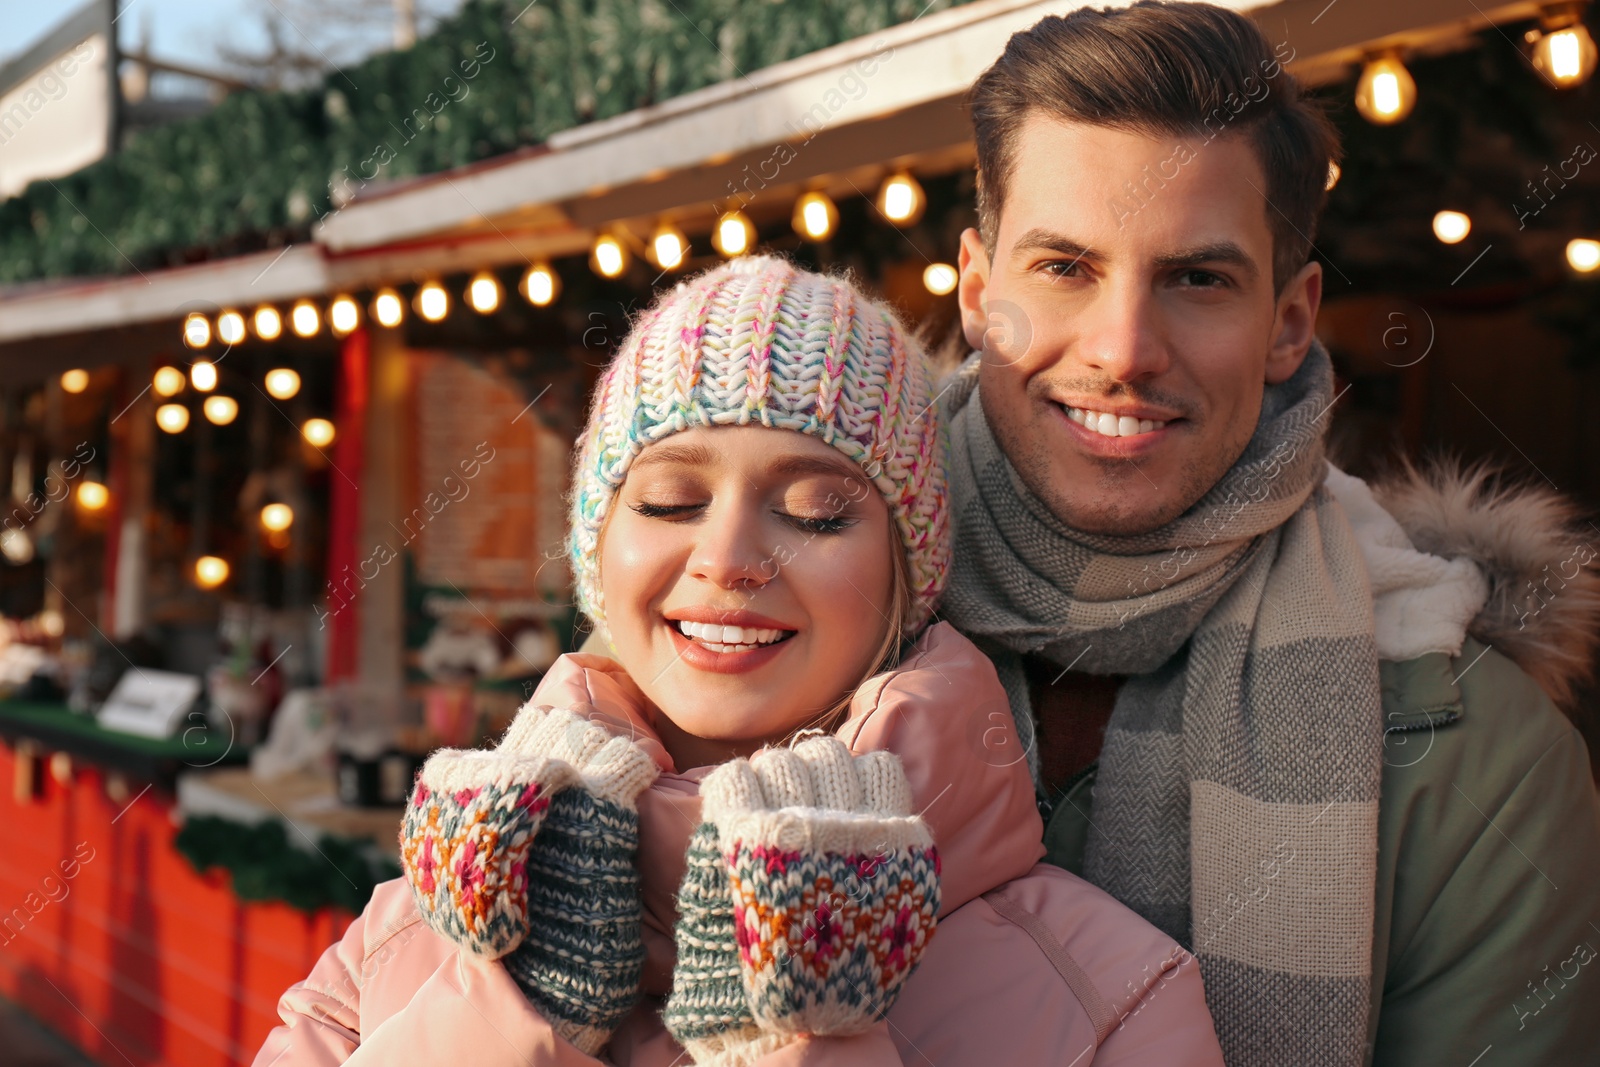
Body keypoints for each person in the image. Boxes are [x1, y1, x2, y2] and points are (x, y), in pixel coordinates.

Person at [252, 256, 1227, 1066]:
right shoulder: (414, 932)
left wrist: (803, 1031)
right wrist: (509, 1007)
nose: (725, 558)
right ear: (599, 551)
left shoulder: (1111, 1003)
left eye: (814, 513)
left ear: (906, 568)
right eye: (671, 500)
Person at [941, 3, 1600, 1065]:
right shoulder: (765, 617)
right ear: (979, 292)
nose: (1123, 350)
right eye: (1064, 267)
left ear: (1289, 321)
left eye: (1196, 278)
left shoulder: (1486, 766)